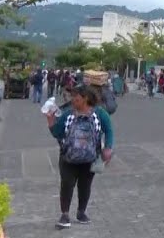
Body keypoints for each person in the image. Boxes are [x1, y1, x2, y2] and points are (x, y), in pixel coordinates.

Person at [46, 84, 114, 229]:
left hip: (90, 158)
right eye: (72, 99)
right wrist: (50, 122)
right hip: (68, 158)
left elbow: (109, 130)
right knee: (67, 184)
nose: (73, 102)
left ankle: (81, 212)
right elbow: (57, 133)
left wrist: (108, 148)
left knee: (85, 186)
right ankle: (65, 214)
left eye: (76, 99)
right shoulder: (67, 114)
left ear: (85, 99)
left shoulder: (100, 114)